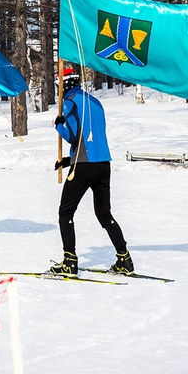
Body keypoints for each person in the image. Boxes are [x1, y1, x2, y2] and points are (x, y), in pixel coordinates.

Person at [50, 67, 133, 276]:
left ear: (64, 84)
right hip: (103, 164)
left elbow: (72, 135)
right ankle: (125, 259)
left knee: (65, 212)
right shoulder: (96, 102)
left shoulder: (69, 103)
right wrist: (69, 160)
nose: (58, 89)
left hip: (85, 165)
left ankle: (69, 261)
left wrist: (59, 125)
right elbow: (92, 138)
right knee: (104, 213)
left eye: (58, 85)